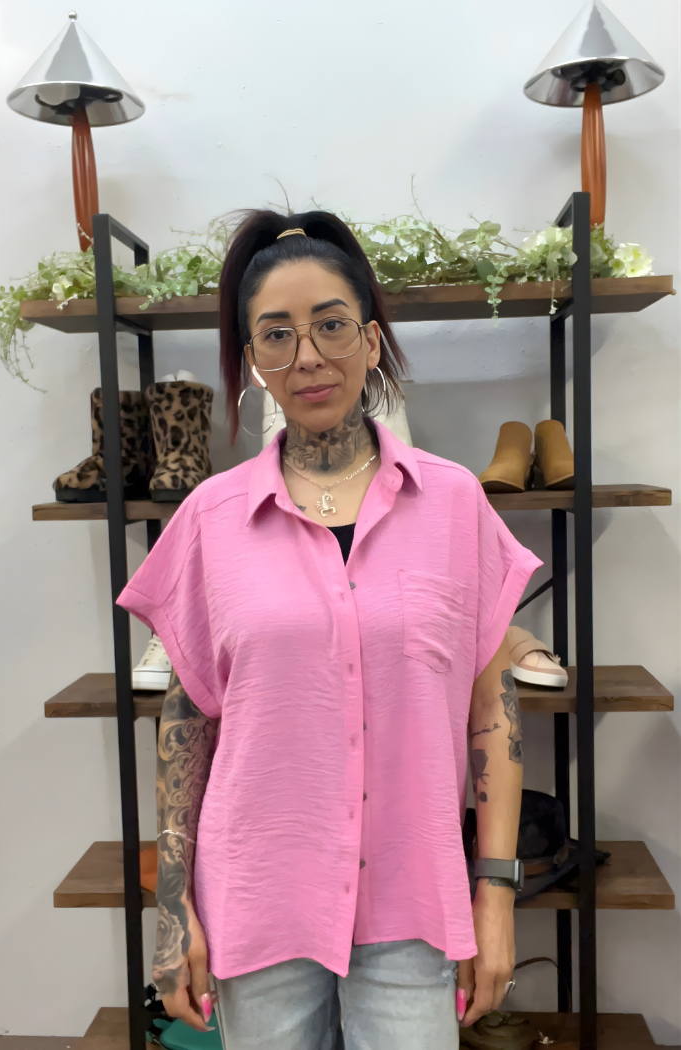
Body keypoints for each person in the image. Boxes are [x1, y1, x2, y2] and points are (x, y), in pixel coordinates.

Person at [117, 210, 542, 1050]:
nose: (308, 356)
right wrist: (174, 910)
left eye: (332, 326)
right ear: (252, 365)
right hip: (258, 898)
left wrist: (493, 894)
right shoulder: (210, 519)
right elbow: (187, 719)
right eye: (275, 336)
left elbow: (492, 708)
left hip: (411, 906)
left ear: (373, 341)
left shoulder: (455, 503)